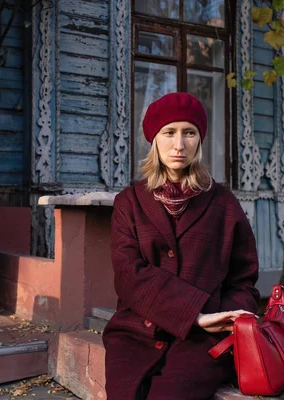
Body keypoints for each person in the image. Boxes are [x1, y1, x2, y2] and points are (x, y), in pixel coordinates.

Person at [103, 92, 260, 400]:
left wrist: (224, 317)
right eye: (169, 133)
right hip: (136, 332)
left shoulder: (224, 204)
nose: (179, 145)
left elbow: (244, 279)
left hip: (205, 339)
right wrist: (193, 312)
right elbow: (127, 274)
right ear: (154, 140)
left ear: (199, 140)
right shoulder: (129, 203)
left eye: (189, 133)